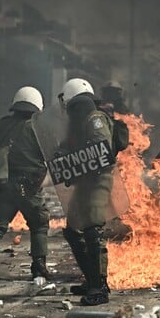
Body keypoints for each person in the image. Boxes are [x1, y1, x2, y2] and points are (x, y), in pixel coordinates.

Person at [0, 86, 50, 285]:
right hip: (29, 187)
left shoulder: (0, 125)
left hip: (4, 186)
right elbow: (50, 155)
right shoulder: (38, 128)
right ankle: (39, 266)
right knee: (39, 224)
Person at [58, 79, 116, 306]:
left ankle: (99, 286)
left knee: (93, 230)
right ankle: (90, 278)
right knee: (73, 231)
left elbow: (101, 149)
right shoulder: (79, 123)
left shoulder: (95, 119)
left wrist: (76, 159)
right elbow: (69, 147)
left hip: (98, 180)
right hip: (84, 182)